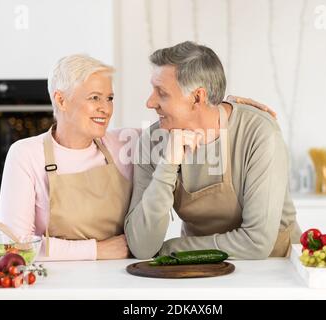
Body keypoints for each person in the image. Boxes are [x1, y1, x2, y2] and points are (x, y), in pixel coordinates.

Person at [124, 41, 301, 260]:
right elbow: (142, 247)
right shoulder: (152, 142)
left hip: (275, 268)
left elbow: (257, 243)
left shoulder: (258, 133)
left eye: (162, 93)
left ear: (198, 97)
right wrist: (167, 165)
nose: (150, 103)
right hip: (199, 268)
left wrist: (172, 250)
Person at [0, 54, 132, 261]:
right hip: (54, 283)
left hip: (118, 279)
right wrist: (97, 250)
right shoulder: (26, 154)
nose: (106, 108)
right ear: (61, 100)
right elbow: (16, 245)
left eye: (110, 98)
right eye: (94, 97)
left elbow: (177, 125)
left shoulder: (124, 144)